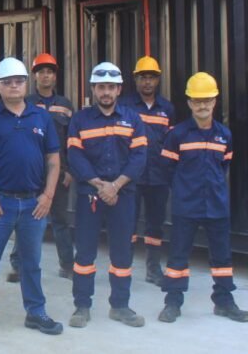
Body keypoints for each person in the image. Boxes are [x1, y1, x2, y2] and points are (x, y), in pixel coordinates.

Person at [0, 58, 63, 342]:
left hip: (34, 204)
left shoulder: (41, 117)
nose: (13, 86)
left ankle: (36, 312)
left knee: (31, 263)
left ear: (26, 83)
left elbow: (54, 159)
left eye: (18, 81)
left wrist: (48, 195)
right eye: (6, 82)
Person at [157, 72, 248, 323]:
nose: (202, 106)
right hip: (186, 205)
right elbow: (167, 169)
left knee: (222, 258)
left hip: (216, 205)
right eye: (197, 101)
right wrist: (184, 189)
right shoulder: (177, 135)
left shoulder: (224, 135)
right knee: (178, 256)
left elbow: (224, 165)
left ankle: (224, 302)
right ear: (189, 102)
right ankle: (172, 303)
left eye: (207, 100)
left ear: (214, 101)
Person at [67, 62, 147, 328]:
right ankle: (82, 306)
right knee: (85, 252)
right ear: (93, 88)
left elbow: (139, 156)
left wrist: (116, 186)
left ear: (119, 89)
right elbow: (74, 155)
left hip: (123, 194)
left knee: (122, 253)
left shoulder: (133, 119)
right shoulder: (80, 120)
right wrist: (100, 184)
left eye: (111, 87)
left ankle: (120, 306)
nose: (106, 92)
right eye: (101, 87)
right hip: (90, 194)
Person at [8, 53, 75, 281]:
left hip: (59, 172)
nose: (46, 76)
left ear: (55, 76)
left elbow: (72, 140)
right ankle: (18, 266)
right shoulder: (24, 102)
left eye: (50, 72)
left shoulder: (65, 105)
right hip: (31, 172)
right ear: (34, 76)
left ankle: (67, 265)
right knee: (25, 218)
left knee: (60, 220)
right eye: (41, 72)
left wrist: (70, 170)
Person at [119, 56, 176, 286]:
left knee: (155, 224)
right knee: (128, 223)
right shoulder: (125, 106)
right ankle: (124, 268)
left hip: (159, 176)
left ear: (158, 79)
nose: (147, 82)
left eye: (152, 77)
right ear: (136, 79)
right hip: (131, 176)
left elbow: (171, 142)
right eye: (143, 77)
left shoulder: (167, 108)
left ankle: (153, 269)